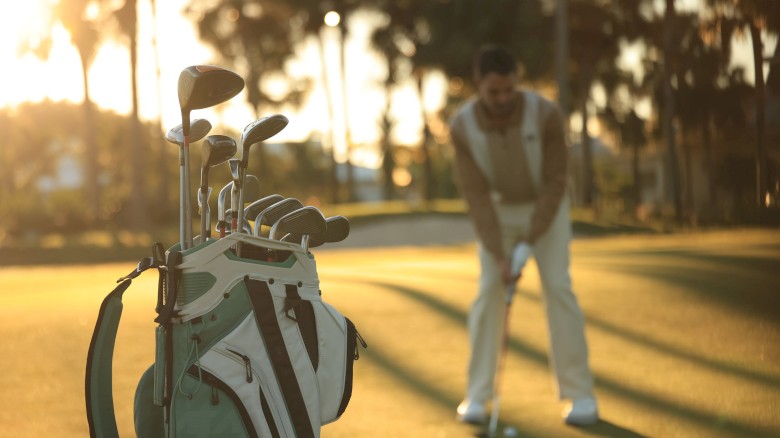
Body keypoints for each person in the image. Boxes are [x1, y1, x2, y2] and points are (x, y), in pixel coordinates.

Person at [449, 45, 598, 426]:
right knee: (488, 292)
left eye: (508, 91)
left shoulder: (545, 115)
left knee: (558, 287)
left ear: (517, 82)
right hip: (497, 212)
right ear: (479, 84)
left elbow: (555, 184)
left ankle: (579, 396)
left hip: (545, 208)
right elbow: (477, 197)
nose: (501, 99)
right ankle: (477, 397)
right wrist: (500, 256)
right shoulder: (461, 126)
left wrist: (529, 241)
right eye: (492, 92)